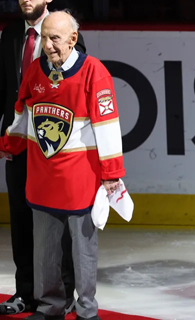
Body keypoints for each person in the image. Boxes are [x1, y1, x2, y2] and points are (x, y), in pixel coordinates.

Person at [0, 10, 125, 320]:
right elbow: (22, 114)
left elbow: (107, 125)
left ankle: (86, 310)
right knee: (45, 251)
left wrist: (111, 175)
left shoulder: (94, 72)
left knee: (83, 251)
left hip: (79, 181)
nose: (48, 45)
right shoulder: (34, 71)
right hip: (42, 179)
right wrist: (9, 144)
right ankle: (49, 307)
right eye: (45, 38)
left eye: (55, 38)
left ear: (73, 39)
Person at [0, 0, 85, 315]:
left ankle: (62, 295)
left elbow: (77, 91)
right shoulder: (10, 35)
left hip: (54, 147)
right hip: (20, 144)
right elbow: (5, 89)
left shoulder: (66, 31)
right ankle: (25, 293)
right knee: (21, 219)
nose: (26, 0)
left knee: (57, 225)